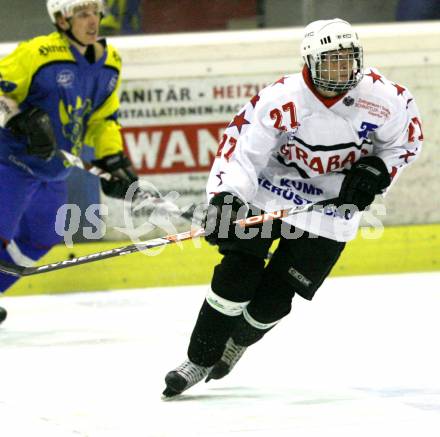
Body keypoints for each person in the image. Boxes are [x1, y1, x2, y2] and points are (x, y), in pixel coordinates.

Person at [162, 18, 423, 398]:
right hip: (270, 192)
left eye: (348, 59)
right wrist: (227, 197)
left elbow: (406, 144)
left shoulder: (386, 98)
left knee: (275, 298)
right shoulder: (280, 98)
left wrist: (377, 169)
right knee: (236, 271)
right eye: (331, 61)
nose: (342, 69)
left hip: (331, 205)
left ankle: (236, 343)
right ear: (310, 62)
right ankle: (198, 360)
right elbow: (241, 152)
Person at [0, 0, 138, 325]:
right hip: (11, 162)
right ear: (62, 20)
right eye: (82, 14)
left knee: (44, 235)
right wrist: (19, 118)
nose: (93, 21)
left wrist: (112, 157)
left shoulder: (110, 62)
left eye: (95, 13)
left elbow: (103, 118)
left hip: (54, 171)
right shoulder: (38, 53)